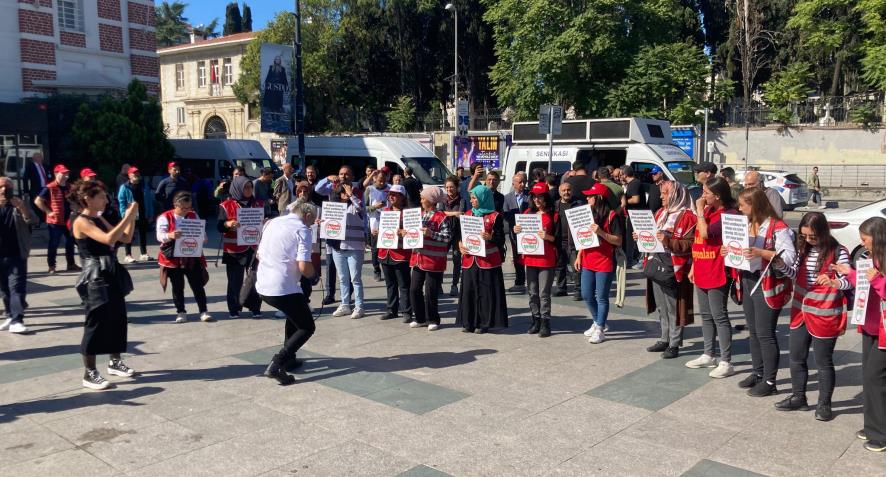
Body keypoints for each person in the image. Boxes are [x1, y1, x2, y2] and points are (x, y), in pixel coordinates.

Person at [775, 212, 850, 421]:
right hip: (800, 311)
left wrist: (835, 282)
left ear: (823, 232)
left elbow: (849, 280)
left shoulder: (838, 251)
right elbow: (796, 275)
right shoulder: (803, 249)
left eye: (813, 236)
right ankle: (798, 397)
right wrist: (781, 265)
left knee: (823, 361)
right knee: (796, 357)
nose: (808, 240)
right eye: (804, 235)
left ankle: (824, 404)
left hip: (825, 313)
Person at [71, 180, 138, 390]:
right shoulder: (81, 221)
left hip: (111, 271)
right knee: (96, 323)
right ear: (87, 199)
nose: (106, 200)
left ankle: (115, 361)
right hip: (94, 276)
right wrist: (127, 217)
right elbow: (108, 239)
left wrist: (131, 218)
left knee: (117, 318)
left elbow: (124, 238)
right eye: (101, 197)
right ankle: (89, 372)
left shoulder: (98, 217)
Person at [733, 187, 796, 396]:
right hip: (749, 279)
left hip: (768, 284)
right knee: (753, 332)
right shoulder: (749, 223)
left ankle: (770, 381)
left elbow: (789, 259)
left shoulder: (778, 227)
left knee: (765, 333)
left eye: (742, 205)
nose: (739, 208)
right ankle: (758, 372)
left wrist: (761, 252)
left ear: (755, 205)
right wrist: (729, 250)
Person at [255, 200, 318, 386]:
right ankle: (277, 363)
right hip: (282, 287)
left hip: (263, 284)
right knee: (307, 327)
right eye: (312, 221)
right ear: (307, 215)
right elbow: (304, 266)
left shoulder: (273, 222)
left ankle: (289, 359)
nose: (311, 225)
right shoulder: (302, 230)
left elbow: (259, 254)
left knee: (293, 316)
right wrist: (314, 276)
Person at [837, 217, 886, 452]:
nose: (862, 243)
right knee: (868, 376)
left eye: (865, 239)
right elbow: (866, 283)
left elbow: (880, 286)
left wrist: (877, 279)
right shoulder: (871, 258)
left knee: (876, 378)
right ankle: (872, 425)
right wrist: (849, 273)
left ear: (877, 238)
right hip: (870, 325)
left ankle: (880, 434)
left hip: (883, 330)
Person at [685, 177, 737, 378]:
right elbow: (698, 240)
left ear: (717, 195)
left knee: (719, 316)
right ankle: (709, 354)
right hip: (702, 266)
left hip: (718, 269)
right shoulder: (708, 210)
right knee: (706, 315)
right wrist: (694, 265)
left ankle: (726, 361)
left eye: (706, 192)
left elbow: (706, 233)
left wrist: (699, 211)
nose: (702, 196)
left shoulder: (729, 214)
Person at [639, 180, 696, 359]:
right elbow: (653, 236)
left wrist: (667, 240)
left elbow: (691, 244)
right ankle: (664, 338)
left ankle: (674, 343)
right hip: (657, 263)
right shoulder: (660, 213)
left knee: (674, 307)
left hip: (675, 268)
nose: (661, 197)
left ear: (676, 195)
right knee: (661, 306)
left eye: (665, 193)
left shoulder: (688, 217)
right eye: (661, 193)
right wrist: (640, 237)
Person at [456, 185, 508, 334]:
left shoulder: (495, 216)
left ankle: (483, 323)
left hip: (488, 261)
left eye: (474, 198)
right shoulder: (467, 214)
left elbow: (501, 239)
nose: (472, 201)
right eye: (471, 198)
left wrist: (490, 237)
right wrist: (460, 245)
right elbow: (460, 235)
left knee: (485, 292)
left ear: (483, 198)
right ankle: (468, 322)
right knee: (469, 290)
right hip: (469, 260)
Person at [575, 183, 622, 344]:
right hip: (588, 259)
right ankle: (597, 321)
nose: (587, 198)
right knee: (586, 294)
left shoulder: (612, 216)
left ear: (599, 197)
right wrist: (579, 255)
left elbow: (618, 240)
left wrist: (601, 232)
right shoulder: (588, 214)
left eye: (590, 196)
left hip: (604, 261)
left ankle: (600, 328)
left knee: (601, 297)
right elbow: (583, 237)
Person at [156, 192, 211, 323]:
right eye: (183, 208)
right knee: (177, 286)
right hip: (173, 258)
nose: (186, 210)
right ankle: (181, 312)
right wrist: (170, 235)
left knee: (197, 285)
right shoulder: (165, 217)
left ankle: (203, 311)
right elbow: (159, 236)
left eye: (189, 207)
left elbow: (202, 233)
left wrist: (203, 238)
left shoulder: (193, 215)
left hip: (191, 256)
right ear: (175, 205)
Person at [514, 182, 559, 338]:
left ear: (546, 198)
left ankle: (546, 322)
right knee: (532, 292)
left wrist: (548, 237)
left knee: (543, 293)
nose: (537, 200)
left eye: (540, 197)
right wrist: (516, 230)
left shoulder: (554, 215)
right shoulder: (527, 213)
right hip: (530, 257)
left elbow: (559, 239)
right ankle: (536, 320)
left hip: (546, 259)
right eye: (534, 197)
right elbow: (521, 235)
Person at [218, 176, 266, 319]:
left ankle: (254, 306)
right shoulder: (226, 205)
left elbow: (268, 218)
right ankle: (234, 308)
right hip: (234, 250)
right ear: (238, 188)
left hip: (254, 248)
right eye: (245, 187)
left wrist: (266, 221)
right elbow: (219, 226)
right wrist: (227, 224)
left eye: (250, 187)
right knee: (235, 281)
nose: (249, 190)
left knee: (255, 279)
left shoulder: (259, 204)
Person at [315, 165, 362, 306]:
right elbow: (318, 189)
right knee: (331, 267)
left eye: (346, 174)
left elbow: (361, 210)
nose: (343, 176)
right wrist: (327, 178)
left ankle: (350, 298)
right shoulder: (332, 188)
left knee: (351, 274)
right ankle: (331, 295)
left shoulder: (356, 192)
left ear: (352, 177)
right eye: (341, 174)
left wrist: (350, 194)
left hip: (351, 241)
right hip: (333, 236)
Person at [320, 181, 366, 319]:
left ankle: (359, 307)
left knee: (355, 279)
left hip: (354, 247)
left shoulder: (355, 206)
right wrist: (322, 224)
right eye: (344, 192)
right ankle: (345, 305)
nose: (346, 194)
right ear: (339, 194)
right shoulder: (333, 208)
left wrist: (352, 195)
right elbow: (328, 225)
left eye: (348, 191)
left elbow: (361, 208)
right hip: (337, 248)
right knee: (343, 278)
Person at [408, 187, 451, 331]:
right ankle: (419, 318)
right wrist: (404, 233)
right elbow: (413, 234)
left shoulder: (441, 217)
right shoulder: (419, 215)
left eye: (423, 198)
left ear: (431, 201)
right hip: (418, 258)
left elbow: (447, 237)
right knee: (414, 289)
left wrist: (431, 233)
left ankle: (433, 319)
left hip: (434, 261)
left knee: (430, 292)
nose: (421, 201)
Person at [0, 178, 36, 334]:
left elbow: (34, 221)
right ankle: (10, 315)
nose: (3, 190)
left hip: (17, 253)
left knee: (16, 288)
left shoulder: (19, 203)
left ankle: (17, 320)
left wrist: (22, 208)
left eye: (7, 187)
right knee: (4, 289)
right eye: (1, 187)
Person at [34, 164, 80, 274]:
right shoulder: (49, 187)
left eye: (67, 173)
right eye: (63, 173)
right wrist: (48, 212)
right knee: (54, 243)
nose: (66, 176)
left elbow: (76, 201)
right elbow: (37, 201)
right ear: (56, 174)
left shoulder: (70, 187)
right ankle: (51, 266)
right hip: (55, 221)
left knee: (70, 242)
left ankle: (71, 264)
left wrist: (75, 207)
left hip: (68, 220)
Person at [376, 185, 413, 322]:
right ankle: (392, 309)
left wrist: (403, 232)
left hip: (401, 254)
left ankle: (407, 311)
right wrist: (378, 232)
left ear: (402, 197)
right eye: (389, 194)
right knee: (390, 284)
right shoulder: (385, 211)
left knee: (404, 285)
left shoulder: (408, 214)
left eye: (394, 194)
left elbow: (414, 234)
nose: (391, 196)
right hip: (385, 252)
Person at [117, 166, 153, 263]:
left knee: (143, 234)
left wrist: (150, 214)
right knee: (129, 234)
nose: (136, 175)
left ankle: (143, 253)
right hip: (130, 214)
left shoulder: (144, 185)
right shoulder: (124, 187)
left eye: (137, 173)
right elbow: (121, 201)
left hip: (142, 213)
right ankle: (128, 255)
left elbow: (149, 200)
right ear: (129, 175)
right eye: (134, 173)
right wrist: (124, 214)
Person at [442, 175, 470, 297]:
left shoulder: (462, 200)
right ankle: (438, 283)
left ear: (457, 187)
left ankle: (454, 285)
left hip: (458, 233)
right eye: (447, 187)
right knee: (441, 257)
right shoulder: (443, 200)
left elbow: (463, 213)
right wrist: (453, 213)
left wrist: (451, 214)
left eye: (451, 187)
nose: (449, 189)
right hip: (444, 233)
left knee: (457, 259)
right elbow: (440, 213)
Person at [554, 182, 582, 300]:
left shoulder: (579, 204)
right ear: (560, 192)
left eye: (568, 190)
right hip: (559, 241)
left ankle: (578, 290)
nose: (566, 192)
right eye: (564, 190)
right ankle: (561, 288)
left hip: (574, 242)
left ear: (572, 191)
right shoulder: (555, 205)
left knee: (576, 267)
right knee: (559, 266)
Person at [503, 172, 529, 293]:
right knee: (517, 257)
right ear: (514, 184)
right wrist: (513, 225)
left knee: (530, 256)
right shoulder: (507, 197)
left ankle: (533, 282)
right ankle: (519, 282)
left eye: (524, 182)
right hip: (515, 232)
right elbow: (505, 213)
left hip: (529, 231)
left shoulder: (530, 196)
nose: (523, 184)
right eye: (520, 182)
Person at [365, 169, 390, 282]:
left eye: (384, 180)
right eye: (380, 180)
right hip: (374, 222)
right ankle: (376, 269)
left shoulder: (390, 188)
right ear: (375, 178)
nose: (382, 182)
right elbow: (363, 207)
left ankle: (387, 270)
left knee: (387, 246)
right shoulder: (370, 189)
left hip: (388, 222)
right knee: (375, 249)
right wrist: (374, 207)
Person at [622, 165, 647, 269]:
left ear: (625, 175)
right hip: (635, 215)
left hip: (636, 215)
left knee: (634, 239)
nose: (620, 177)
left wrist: (624, 201)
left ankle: (633, 260)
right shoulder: (633, 183)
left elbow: (636, 199)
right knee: (633, 238)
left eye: (621, 174)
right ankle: (632, 259)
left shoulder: (634, 183)